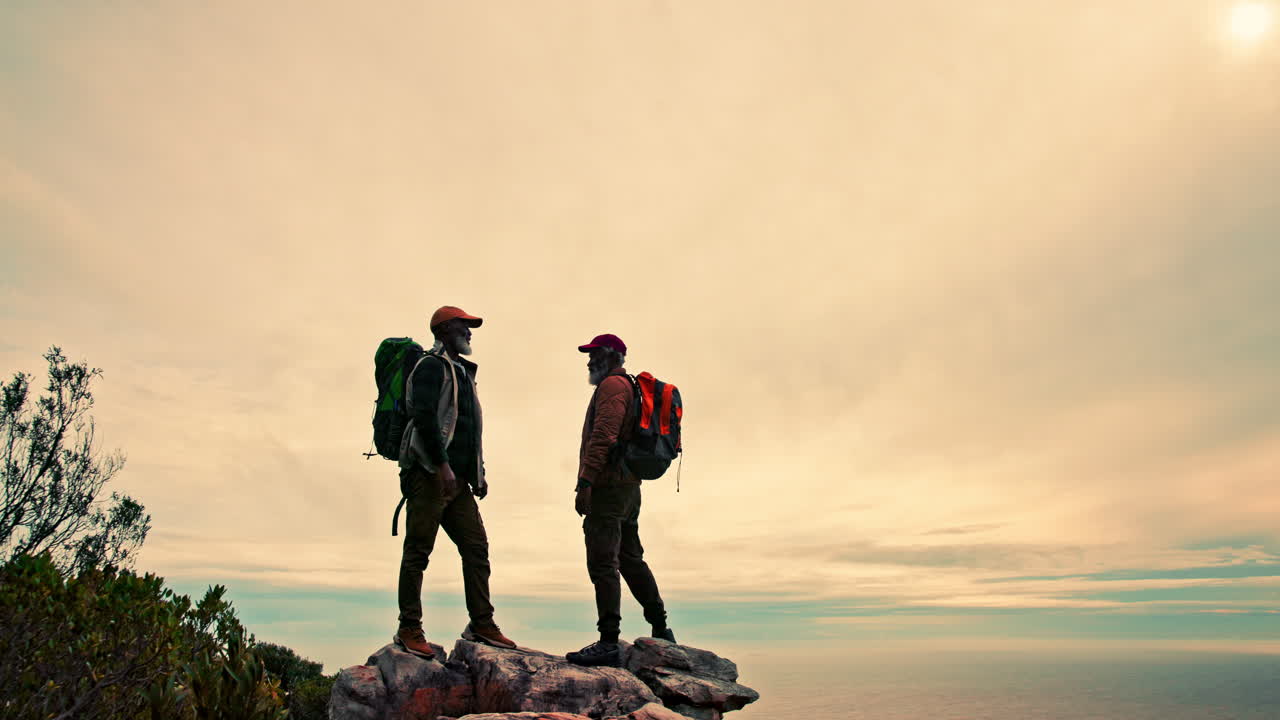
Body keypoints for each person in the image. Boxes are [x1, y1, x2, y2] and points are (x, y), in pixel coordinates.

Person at [393, 305, 515, 658]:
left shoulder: (463, 372)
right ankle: (409, 628)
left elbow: (468, 428)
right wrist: (442, 466)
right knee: (418, 551)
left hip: (459, 482)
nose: (470, 332)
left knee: (476, 548)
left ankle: (481, 623)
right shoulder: (430, 366)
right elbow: (425, 418)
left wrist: (478, 475)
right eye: (464, 326)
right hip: (429, 475)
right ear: (444, 330)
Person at [567, 333, 676, 667]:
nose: (589, 360)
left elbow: (604, 434)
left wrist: (585, 481)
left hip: (609, 487)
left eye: (594, 354)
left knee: (603, 561)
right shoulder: (626, 386)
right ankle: (661, 628)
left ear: (611, 356)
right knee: (630, 558)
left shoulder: (612, 387)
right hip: (629, 488)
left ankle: (608, 642)